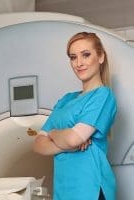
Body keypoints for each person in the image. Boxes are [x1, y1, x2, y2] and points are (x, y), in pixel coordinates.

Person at [33, 32, 117, 200]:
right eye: (73, 57)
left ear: (100, 57)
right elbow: (38, 144)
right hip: (63, 188)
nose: (79, 63)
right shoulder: (66, 99)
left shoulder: (103, 95)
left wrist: (54, 134)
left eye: (86, 55)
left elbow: (73, 138)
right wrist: (69, 141)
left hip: (89, 187)